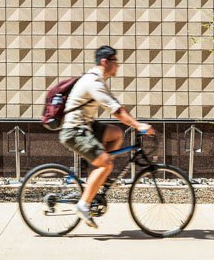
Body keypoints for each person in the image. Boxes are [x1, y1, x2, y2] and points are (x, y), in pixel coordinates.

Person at [58, 44, 151, 226]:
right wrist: (138, 125)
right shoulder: (93, 82)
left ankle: (99, 173)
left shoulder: (97, 80)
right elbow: (115, 110)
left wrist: (132, 123)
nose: (117, 65)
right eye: (115, 61)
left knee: (116, 133)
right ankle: (83, 205)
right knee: (106, 164)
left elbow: (115, 105)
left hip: (87, 126)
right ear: (104, 61)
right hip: (75, 130)